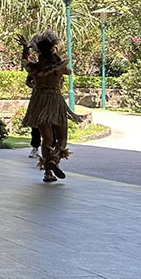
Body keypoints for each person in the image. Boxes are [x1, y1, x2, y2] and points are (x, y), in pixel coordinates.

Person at [17, 31, 82, 182]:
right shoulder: (59, 67)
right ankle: (54, 160)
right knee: (62, 138)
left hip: (38, 101)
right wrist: (55, 55)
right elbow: (69, 71)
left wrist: (25, 48)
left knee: (47, 139)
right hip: (54, 101)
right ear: (52, 49)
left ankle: (47, 173)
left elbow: (25, 61)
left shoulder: (35, 68)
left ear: (39, 51)